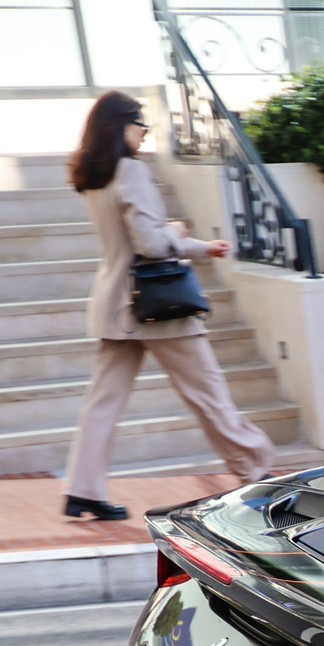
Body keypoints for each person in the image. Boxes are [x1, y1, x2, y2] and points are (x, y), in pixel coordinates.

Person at [61, 91, 274, 522]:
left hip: (115, 304)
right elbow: (152, 243)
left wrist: (179, 237)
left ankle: (82, 489)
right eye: (142, 126)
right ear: (122, 126)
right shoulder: (131, 172)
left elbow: (133, 236)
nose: (144, 135)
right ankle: (257, 468)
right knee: (208, 391)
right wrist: (187, 239)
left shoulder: (94, 176)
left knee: (103, 402)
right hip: (154, 304)